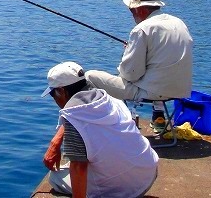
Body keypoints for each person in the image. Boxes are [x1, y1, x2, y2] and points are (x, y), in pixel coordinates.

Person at [42, 61, 158, 198]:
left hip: (126, 191)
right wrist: (56, 141)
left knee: (55, 177)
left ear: (61, 91)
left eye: (52, 94)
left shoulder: (74, 120)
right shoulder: (109, 99)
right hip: (149, 173)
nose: (54, 99)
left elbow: (78, 167)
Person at [85, 0, 193, 129]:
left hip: (154, 92)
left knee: (90, 76)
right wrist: (136, 50)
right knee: (156, 72)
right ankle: (158, 116)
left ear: (140, 9)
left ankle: (102, 127)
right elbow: (162, 56)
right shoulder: (178, 23)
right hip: (180, 90)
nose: (131, 13)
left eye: (131, 10)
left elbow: (130, 74)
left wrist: (128, 53)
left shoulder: (142, 29)